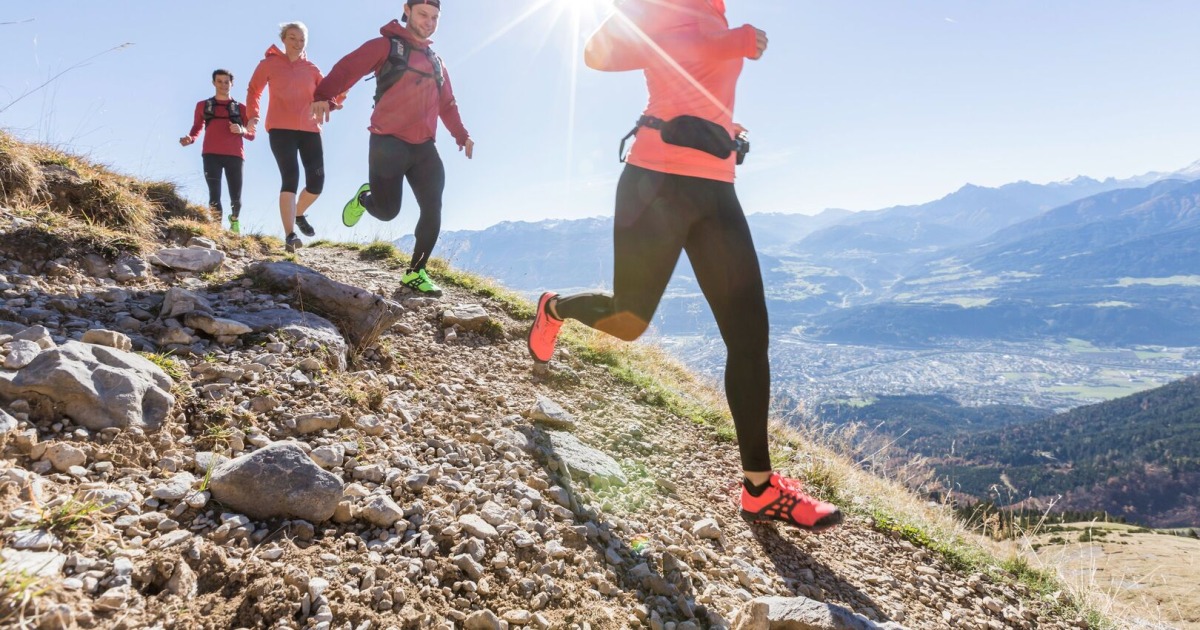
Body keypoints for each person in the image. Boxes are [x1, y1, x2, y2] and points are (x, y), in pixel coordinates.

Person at [527, 0, 842, 531]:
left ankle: (759, 489)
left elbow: (695, 81)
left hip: (717, 187)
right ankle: (553, 308)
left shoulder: (717, 12)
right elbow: (597, 54)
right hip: (655, 182)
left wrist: (723, 118)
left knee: (749, 337)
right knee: (628, 320)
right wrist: (726, 43)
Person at [313, 0, 473, 297]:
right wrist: (324, 95)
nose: (429, 22)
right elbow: (349, 67)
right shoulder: (385, 46)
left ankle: (416, 272)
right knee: (387, 212)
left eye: (435, 17)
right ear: (407, 11)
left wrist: (461, 135)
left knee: (433, 207)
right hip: (388, 143)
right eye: (423, 14)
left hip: (424, 148)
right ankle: (365, 197)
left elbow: (447, 104)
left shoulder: (437, 62)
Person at [246, 21, 343, 252]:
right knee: (290, 177)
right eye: (292, 38)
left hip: (310, 130)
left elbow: (329, 95)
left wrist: (338, 98)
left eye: (302, 40)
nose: (297, 43)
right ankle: (290, 235)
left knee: (316, 184)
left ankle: (298, 213)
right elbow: (254, 90)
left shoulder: (312, 68)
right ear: (283, 39)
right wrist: (252, 116)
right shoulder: (269, 64)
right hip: (280, 129)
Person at [180, 69, 254, 234]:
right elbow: (197, 127)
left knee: (236, 199)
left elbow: (252, 134)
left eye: (226, 82)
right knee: (214, 195)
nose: (223, 85)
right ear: (213, 83)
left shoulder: (241, 108)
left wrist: (241, 130)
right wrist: (190, 139)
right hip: (211, 154)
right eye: (219, 81)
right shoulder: (203, 105)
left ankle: (234, 219)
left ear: (232, 84)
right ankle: (216, 230)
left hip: (235, 156)